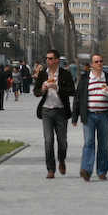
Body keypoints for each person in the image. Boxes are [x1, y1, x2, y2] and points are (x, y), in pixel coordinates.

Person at [72, 54, 108, 181]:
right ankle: (86, 169)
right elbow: (78, 98)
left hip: (104, 115)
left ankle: (102, 171)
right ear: (91, 64)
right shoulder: (85, 79)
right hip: (89, 115)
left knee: (103, 145)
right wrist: (74, 116)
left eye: (101, 61)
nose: (99, 63)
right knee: (89, 143)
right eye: (96, 61)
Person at [34, 49, 76, 178]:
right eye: (47, 58)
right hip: (46, 110)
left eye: (51, 58)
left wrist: (57, 88)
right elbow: (36, 91)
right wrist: (42, 89)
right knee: (48, 140)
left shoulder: (65, 74)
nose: (48, 60)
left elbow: (72, 91)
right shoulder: (42, 74)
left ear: (57, 60)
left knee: (62, 140)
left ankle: (61, 160)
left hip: (61, 110)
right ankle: (50, 169)